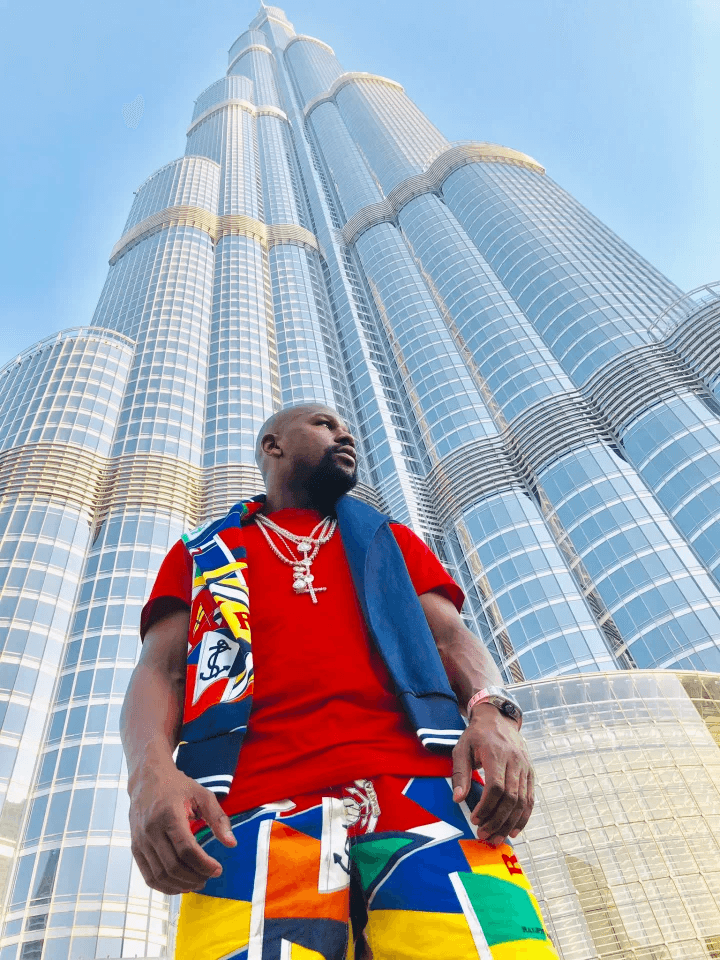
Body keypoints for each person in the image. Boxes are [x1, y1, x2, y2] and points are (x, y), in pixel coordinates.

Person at [121, 403, 557, 960]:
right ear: (273, 445)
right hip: (248, 816)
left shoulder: (389, 538)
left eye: (347, 427)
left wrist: (493, 712)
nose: (345, 433)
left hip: (430, 797)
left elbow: (452, 639)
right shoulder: (203, 553)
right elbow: (160, 671)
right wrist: (148, 775)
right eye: (325, 425)